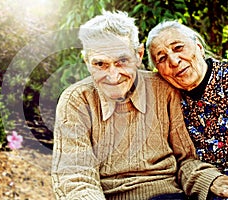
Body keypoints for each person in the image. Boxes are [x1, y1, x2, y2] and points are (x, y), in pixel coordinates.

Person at [51, 11, 228, 200]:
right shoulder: (77, 100)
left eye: (122, 61)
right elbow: (76, 177)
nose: (113, 76)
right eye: (100, 64)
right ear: (87, 62)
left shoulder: (163, 89)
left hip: (170, 195)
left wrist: (212, 181)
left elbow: (185, 160)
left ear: (138, 55)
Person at [146, 21, 228, 178]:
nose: (174, 62)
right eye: (162, 58)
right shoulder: (166, 103)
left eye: (178, 48)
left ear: (199, 47)